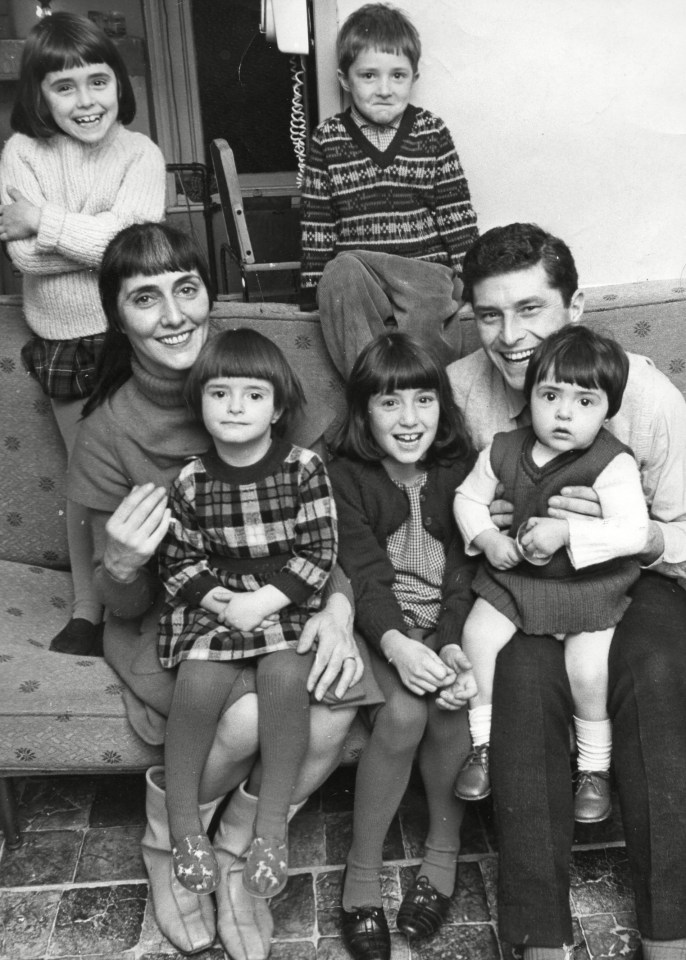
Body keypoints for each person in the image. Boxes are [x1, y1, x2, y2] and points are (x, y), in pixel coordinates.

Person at [68, 222, 375, 960]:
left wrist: (338, 607)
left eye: (186, 289)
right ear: (118, 316)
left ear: (210, 294)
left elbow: (316, 526)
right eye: (146, 298)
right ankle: (168, 840)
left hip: (278, 600)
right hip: (174, 615)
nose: (173, 314)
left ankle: (236, 858)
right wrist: (119, 563)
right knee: (242, 719)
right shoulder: (108, 432)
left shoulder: (257, 377)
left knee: (335, 704)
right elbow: (131, 601)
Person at [447, 222, 686, 960]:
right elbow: (430, 495)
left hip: (637, 574)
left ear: (574, 308)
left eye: (530, 310)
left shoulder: (639, 391)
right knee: (518, 680)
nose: (510, 337)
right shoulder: (460, 389)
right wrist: (486, 524)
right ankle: (539, 938)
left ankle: (669, 932)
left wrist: (636, 533)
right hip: (522, 577)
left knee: (648, 673)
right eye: (490, 314)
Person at [0, 12, 166, 657]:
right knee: (86, 480)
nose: (85, 100)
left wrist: (45, 220)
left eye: (98, 81)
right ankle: (86, 609)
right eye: (63, 87)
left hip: (134, 341)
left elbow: (139, 254)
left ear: (119, 84)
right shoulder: (22, 153)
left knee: (144, 477)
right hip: (66, 345)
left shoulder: (140, 153)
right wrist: (99, 234)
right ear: (38, 94)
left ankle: (147, 602)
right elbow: (26, 260)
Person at [158, 327, 339, 900]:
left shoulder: (304, 468)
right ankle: (184, 826)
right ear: (200, 403)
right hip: (217, 601)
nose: (236, 407)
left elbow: (319, 551)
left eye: (254, 395)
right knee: (197, 686)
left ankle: (269, 830)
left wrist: (264, 601)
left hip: (282, 599)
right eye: (220, 393)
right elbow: (178, 559)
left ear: (278, 406)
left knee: (287, 681)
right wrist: (219, 601)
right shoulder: (191, 478)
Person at [452, 325, 648, 823]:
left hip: (585, 589)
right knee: (476, 636)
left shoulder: (612, 463)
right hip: (516, 581)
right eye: (551, 395)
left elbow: (633, 531)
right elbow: (467, 499)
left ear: (609, 411)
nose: (564, 412)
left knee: (588, 673)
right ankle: (483, 745)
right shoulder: (502, 447)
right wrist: (487, 538)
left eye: (586, 402)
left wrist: (567, 533)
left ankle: (594, 768)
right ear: (530, 393)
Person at [328, 332, 478, 960]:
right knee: (402, 711)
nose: (409, 419)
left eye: (423, 400)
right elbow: (362, 575)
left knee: (447, 708)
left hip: (442, 626)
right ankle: (360, 881)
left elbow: (466, 574)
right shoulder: (346, 475)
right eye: (390, 404)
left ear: (443, 406)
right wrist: (397, 645)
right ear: (364, 412)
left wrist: (445, 648)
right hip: (376, 628)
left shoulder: (458, 469)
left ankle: (442, 858)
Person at [300, 2, 478, 377]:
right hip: (361, 268)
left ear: (414, 76)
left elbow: (455, 210)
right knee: (339, 274)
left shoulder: (431, 132)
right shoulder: (327, 138)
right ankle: (373, 392)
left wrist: (470, 275)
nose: (384, 89)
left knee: (431, 310)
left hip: (423, 269)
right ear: (345, 79)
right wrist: (313, 287)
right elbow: (318, 222)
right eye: (368, 76)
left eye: (397, 76)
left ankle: (427, 394)